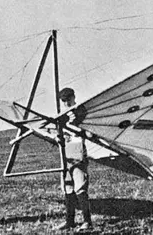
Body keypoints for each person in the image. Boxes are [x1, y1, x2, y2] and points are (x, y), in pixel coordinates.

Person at [55, 87, 92, 231]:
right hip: (66, 156)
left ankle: (87, 221)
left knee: (80, 190)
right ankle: (69, 221)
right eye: (63, 101)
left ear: (73, 97)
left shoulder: (81, 111)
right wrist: (58, 137)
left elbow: (87, 133)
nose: (66, 103)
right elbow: (60, 134)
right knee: (68, 190)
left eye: (68, 100)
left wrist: (71, 125)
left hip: (78, 155)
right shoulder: (61, 116)